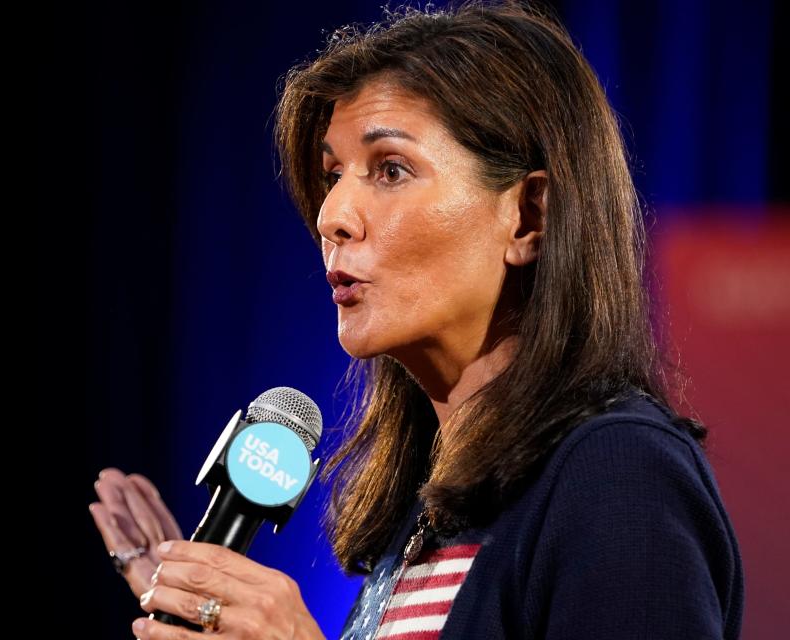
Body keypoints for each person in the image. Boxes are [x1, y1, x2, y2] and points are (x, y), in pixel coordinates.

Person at [90, 2, 744, 638]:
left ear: (529, 216)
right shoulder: (426, 516)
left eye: (391, 169)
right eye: (333, 174)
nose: (331, 216)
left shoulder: (620, 475)